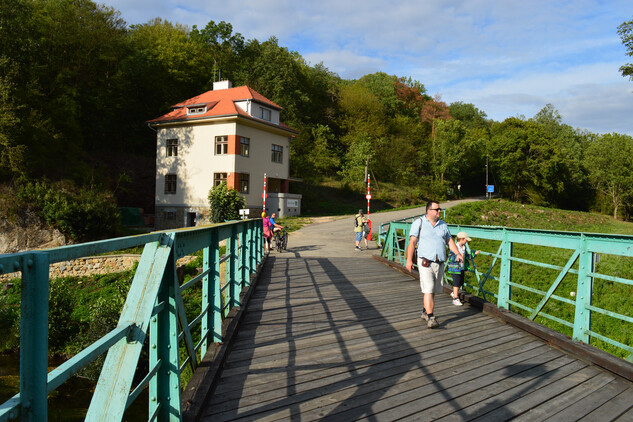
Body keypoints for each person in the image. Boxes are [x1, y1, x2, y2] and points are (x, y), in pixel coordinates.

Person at [405, 201, 463, 329]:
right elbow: (412, 242)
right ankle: (431, 318)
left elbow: (449, 240)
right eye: (437, 209)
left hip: (439, 262)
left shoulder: (443, 224)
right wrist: (409, 260)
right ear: (429, 211)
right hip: (425, 261)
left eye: (440, 209)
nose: (439, 211)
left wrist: (457, 253)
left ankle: (425, 311)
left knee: (433, 290)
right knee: (429, 288)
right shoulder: (419, 223)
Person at [447, 231, 480, 306]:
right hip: (455, 268)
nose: (467, 241)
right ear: (461, 239)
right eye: (466, 240)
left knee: (460, 282)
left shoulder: (463, 247)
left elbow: (467, 257)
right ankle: (455, 298)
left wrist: (474, 254)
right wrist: (457, 257)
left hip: (461, 268)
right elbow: (450, 258)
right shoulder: (455, 247)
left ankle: (454, 293)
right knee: (456, 282)